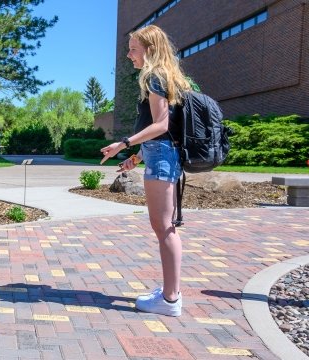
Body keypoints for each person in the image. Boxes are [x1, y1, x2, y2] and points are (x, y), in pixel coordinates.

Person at [100, 25, 192, 317]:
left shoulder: (154, 76)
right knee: (165, 227)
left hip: (163, 155)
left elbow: (161, 125)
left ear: (149, 50)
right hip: (160, 154)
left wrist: (123, 143)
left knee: (164, 228)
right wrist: (137, 157)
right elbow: (163, 130)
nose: (129, 55)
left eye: (133, 49)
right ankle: (170, 292)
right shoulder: (164, 76)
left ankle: (170, 299)